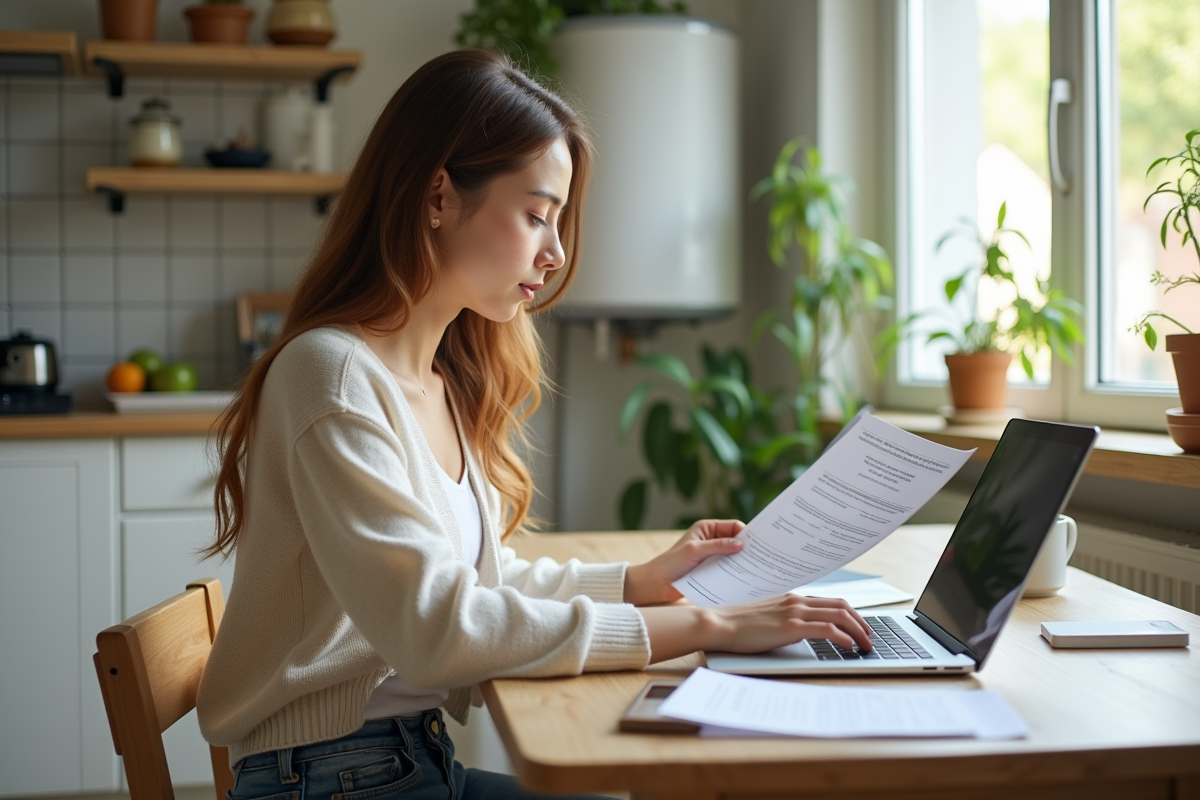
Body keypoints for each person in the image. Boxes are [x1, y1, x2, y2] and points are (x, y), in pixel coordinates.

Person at [196, 49, 872, 800]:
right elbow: (437, 630)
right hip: (327, 778)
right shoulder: (331, 376)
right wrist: (710, 628)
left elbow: (475, 583)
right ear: (437, 195)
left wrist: (639, 582)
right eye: (536, 216)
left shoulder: (438, 380)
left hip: (403, 759)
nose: (555, 254)